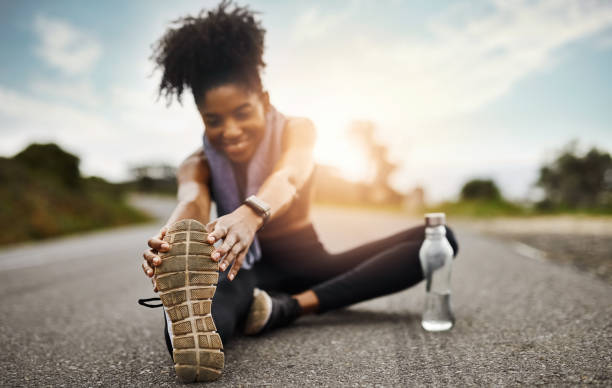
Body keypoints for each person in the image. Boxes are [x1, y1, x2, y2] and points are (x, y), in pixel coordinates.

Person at [139, 0, 459, 383]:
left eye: (242, 112)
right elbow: (191, 200)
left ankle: (287, 308)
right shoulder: (197, 162)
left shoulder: (297, 129)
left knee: (439, 240)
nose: (231, 130)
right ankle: (203, 317)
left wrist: (250, 213)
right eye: (214, 120)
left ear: (265, 101)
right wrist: (171, 238)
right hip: (237, 267)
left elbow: (290, 175)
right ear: (201, 119)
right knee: (197, 334)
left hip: (307, 265)